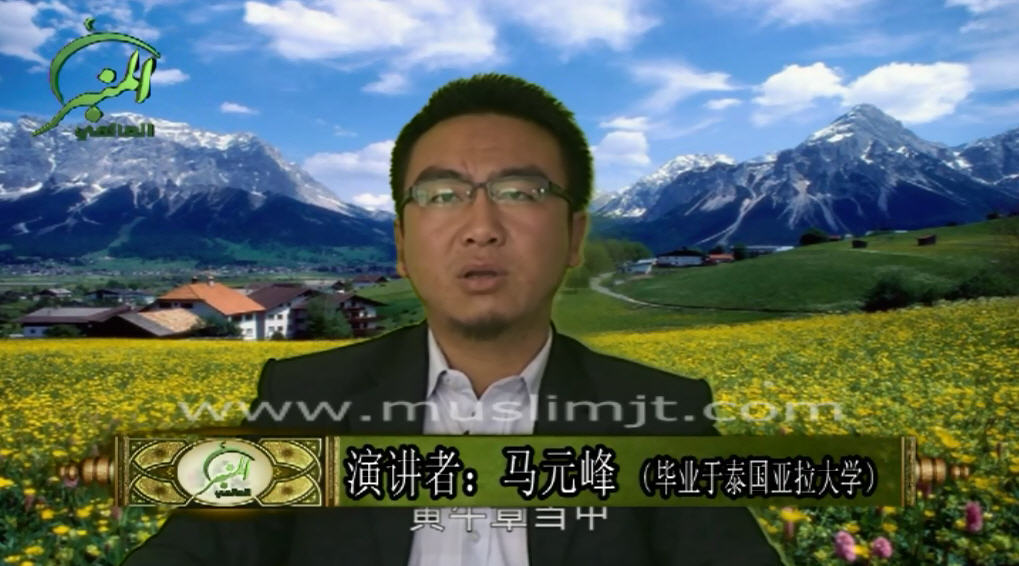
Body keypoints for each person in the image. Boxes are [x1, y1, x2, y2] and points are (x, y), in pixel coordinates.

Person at [122, 74, 783, 565]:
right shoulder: (304, 398)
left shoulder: (660, 415)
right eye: (442, 196)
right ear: (402, 245)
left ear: (574, 238)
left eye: (520, 192)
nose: (480, 228)